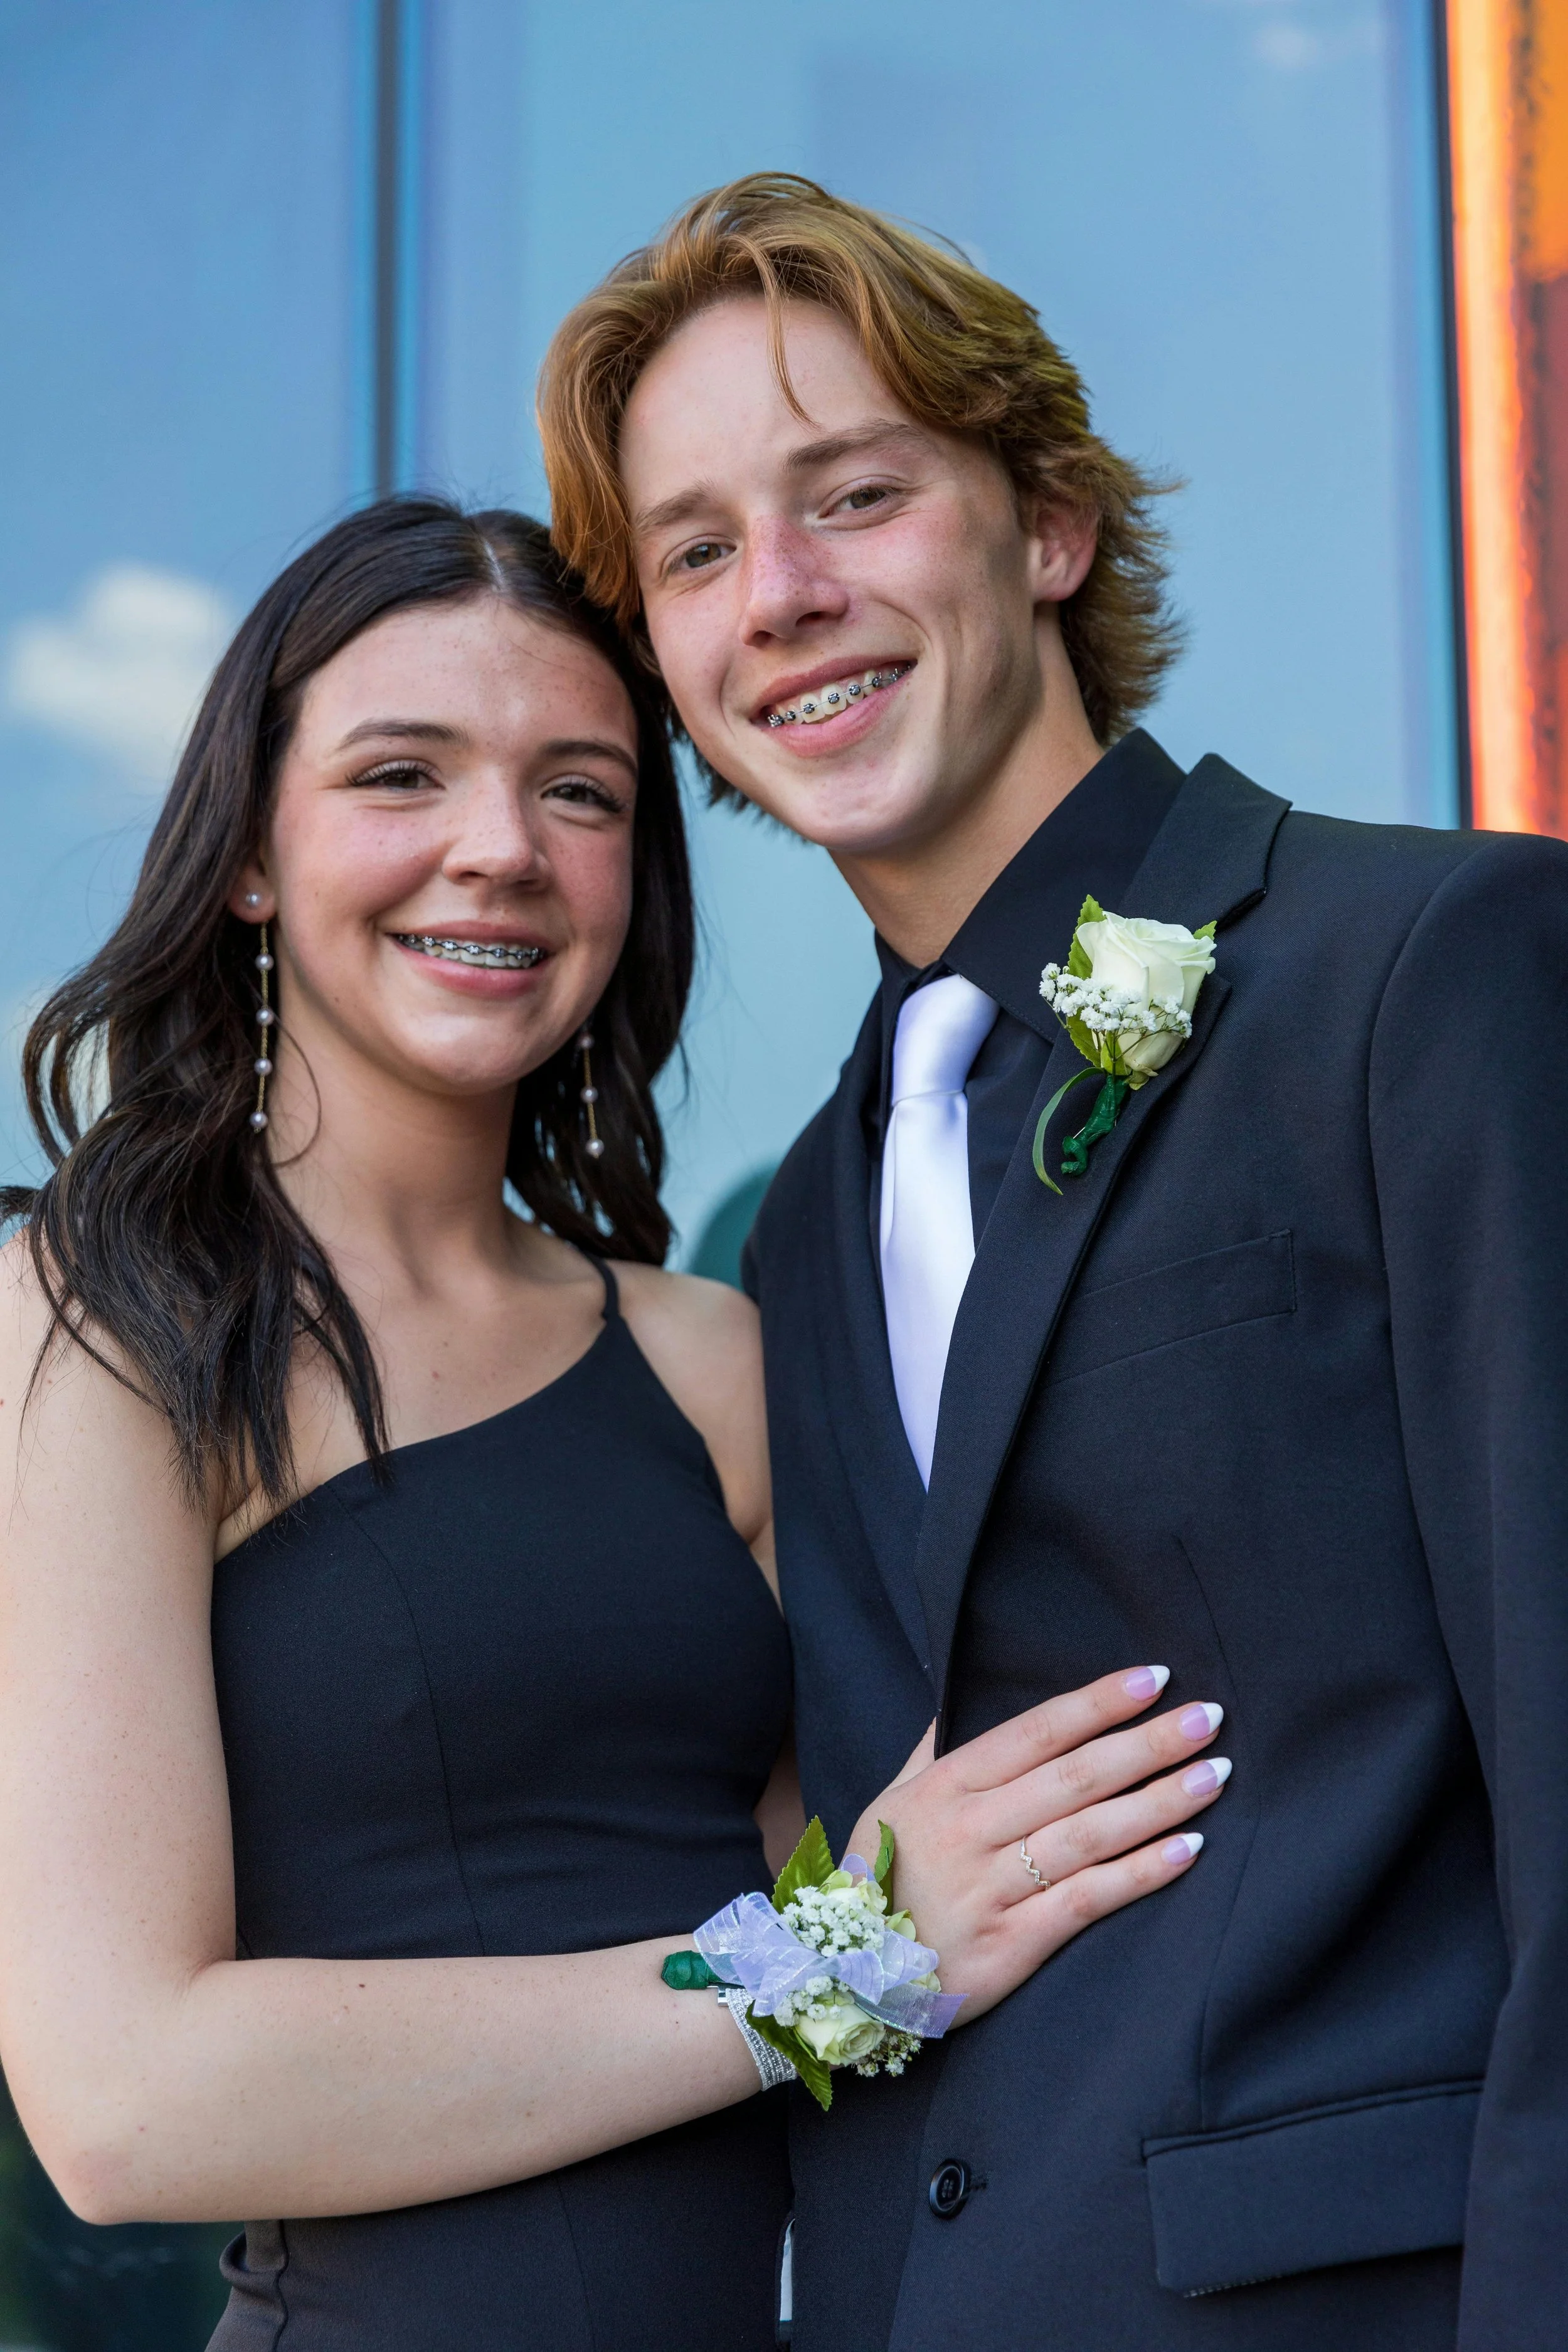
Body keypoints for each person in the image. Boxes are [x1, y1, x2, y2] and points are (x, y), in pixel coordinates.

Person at [0, 499, 1231, 2352]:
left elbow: (929, 1918)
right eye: (402, 774)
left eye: (579, 792)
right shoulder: (96, 1318)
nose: (498, 848)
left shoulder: (709, 1355)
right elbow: (124, 2095)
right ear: (251, 850)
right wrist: (815, 1975)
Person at [538, 172, 1568, 2351]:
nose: (785, 596)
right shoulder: (801, 1215)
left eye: (856, 494)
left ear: (1048, 525)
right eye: (701, 550)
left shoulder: (1425, 969)